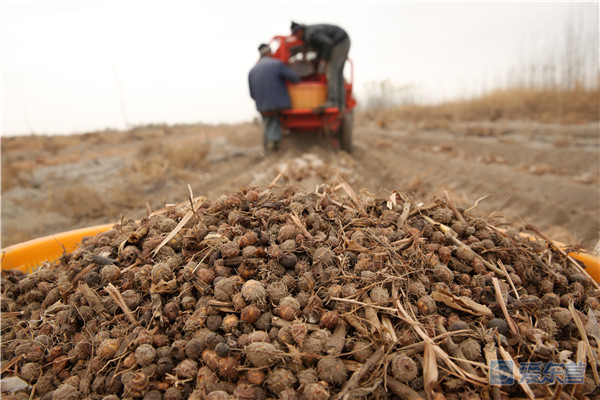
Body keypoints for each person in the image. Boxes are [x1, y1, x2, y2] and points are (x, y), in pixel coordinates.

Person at [248, 43, 301, 151]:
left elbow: (252, 94)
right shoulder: (277, 64)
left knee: (268, 119)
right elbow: (294, 79)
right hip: (279, 105)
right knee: (275, 117)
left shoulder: (252, 71)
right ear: (269, 53)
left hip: (262, 106)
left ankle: (270, 144)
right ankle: (275, 143)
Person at [290, 22, 350, 110]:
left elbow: (327, 43)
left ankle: (333, 101)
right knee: (338, 73)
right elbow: (322, 46)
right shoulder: (310, 32)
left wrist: (323, 61)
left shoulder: (310, 34)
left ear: (299, 31)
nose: (296, 37)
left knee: (332, 71)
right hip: (342, 40)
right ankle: (340, 103)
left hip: (339, 42)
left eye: (295, 35)